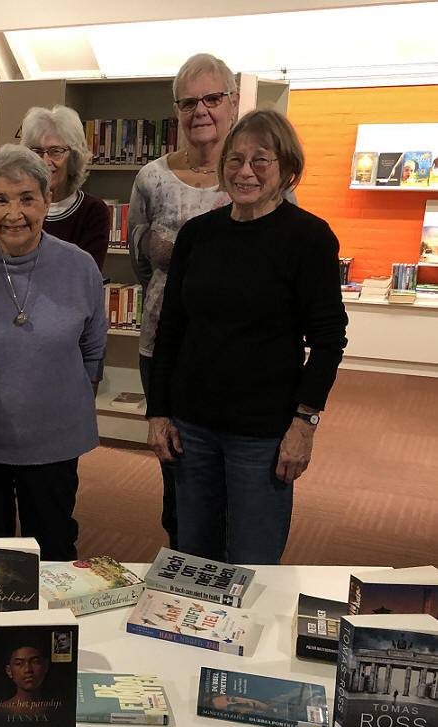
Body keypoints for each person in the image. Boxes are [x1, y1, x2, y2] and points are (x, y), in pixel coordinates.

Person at [146, 109, 347, 565]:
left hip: (263, 434)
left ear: (287, 169)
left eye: (262, 160)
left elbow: (329, 340)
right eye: (235, 160)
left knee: (254, 562)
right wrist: (158, 412)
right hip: (191, 427)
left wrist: (304, 424)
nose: (245, 171)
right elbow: (171, 328)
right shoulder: (198, 235)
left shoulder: (309, 238)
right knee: (194, 556)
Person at [0, 145, 105, 561]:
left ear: (48, 201)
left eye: (26, 199)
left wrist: (63, 408)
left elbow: (93, 347)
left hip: (53, 443)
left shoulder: (80, 266)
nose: (14, 213)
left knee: (53, 549)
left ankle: (48, 629)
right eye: (1, 200)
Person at [129, 53, 242, 551]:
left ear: (233, 102)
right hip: (163, 346)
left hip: (234, 351)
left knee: (235, 468)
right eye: (189, 102)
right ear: (176, 110)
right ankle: (181, 561)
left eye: (212, 98)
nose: (201, 110)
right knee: (176, 466)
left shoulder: (254, 173)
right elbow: (138, 260)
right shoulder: (151, 178)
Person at [20, 105, 109, 272]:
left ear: (74, 156)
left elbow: (85, 276)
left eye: (55, 151)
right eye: (37, 152)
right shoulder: (20, 208)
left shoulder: (93, 211)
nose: (45, 161)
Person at [0, 641, 52, 712]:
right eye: (19, 663)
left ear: (46, 666)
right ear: (9, 671)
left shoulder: (59, 709)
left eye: (35, 661)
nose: (28, 669)